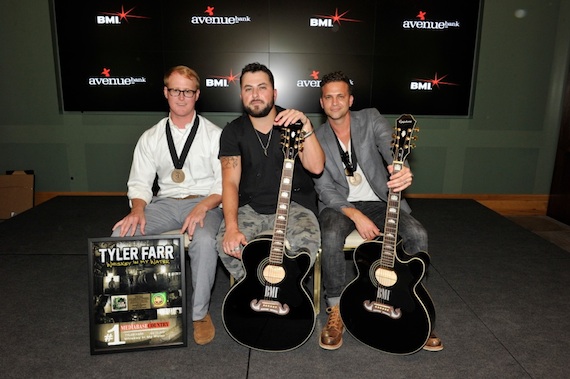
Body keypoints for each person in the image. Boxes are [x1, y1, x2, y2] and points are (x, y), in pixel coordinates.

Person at [313, 71, 443, 351]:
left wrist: (401, 168)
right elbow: (324, 189)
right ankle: (335, 309)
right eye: (328, 97)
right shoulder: (317, 137)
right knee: (332, 235)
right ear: (321, 103)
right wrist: (354, 215)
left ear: (350, 99)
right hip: (339, 206)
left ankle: (414, 305)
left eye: (340, 96)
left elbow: (390, 147)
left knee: (417, 233)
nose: (335, 102)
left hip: (378, 201)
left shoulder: (370, 118)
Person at [111, 65, 223, 346]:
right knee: (121, 235)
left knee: (205, 238)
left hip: (205, 202)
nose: (181, 97)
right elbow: (139, 183)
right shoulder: (151, 137)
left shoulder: (215, 135)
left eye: (187, 91)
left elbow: (224, 184)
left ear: (197, 95)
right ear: (166, 92)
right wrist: (137, 209)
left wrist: (203, 207)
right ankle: (137, 313)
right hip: (164, 203)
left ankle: (199, 315)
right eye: (175, 90)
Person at [217, 62, 325, 282]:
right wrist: (231, 227)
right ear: (241, 95)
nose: (255, 94)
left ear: (274, 93)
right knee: (225, 244)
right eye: (248, 88)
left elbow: (316, 167)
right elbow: (230, 184)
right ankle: (255, 288)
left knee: (306, 245)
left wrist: (305, 125)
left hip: (293, 204)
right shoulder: (233, 131)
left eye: (262, 87)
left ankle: (288, 290)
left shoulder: (294, 123)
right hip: (250, 207)